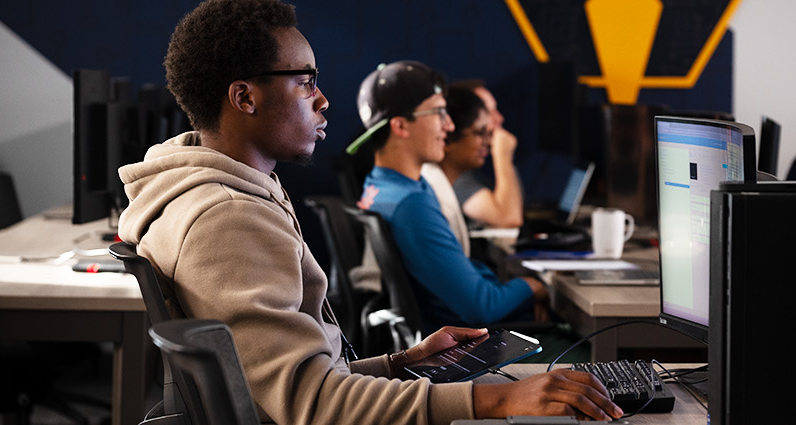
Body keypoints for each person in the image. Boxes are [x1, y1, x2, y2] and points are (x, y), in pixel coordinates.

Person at [116, 1, 622, 423]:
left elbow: (288, 381)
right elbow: (309, 403)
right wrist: (496, 398)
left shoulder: (224, 195)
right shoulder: (227, 218)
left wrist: (402, 363)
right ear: (244, 97)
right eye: (305, 81)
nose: (323, 100)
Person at [346, 61, 550, 332]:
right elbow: (481, 306)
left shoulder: (382, 185)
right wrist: (531, 285)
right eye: (439, 112)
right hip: (463, 346)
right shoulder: (410, 204)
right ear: (401, 127)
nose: (450, 125)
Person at [439, 80, 524, 230]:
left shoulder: (466, 172)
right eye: (488, 110)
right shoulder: (451, 178)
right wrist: (503, 155)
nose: (499, 118)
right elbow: (509, 217)